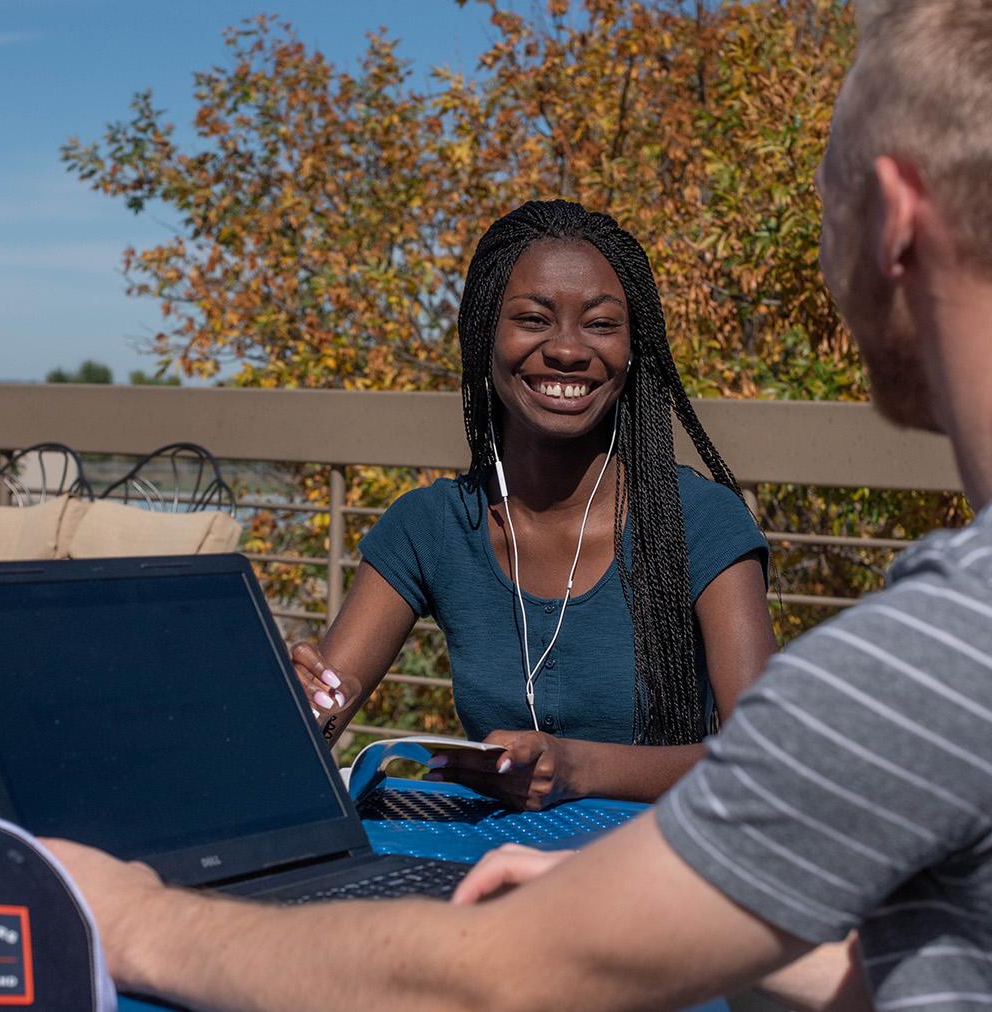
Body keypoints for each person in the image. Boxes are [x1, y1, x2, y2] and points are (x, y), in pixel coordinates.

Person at [43, 1, 992, 1007]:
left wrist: (135, 917)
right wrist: (669, 907)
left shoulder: (972, 639)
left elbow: (497, 991)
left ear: (897, 222)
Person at [292, 199, 777, 809]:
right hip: (489, 864)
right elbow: (326, 706)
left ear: (634, 348)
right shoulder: (431, 527)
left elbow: (765, 758)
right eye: (533, 319)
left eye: (601, 324)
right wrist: (304, 706)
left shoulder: (701, 522)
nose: (568, 350)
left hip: (657, 869)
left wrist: (575, 768)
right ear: (483, 337)